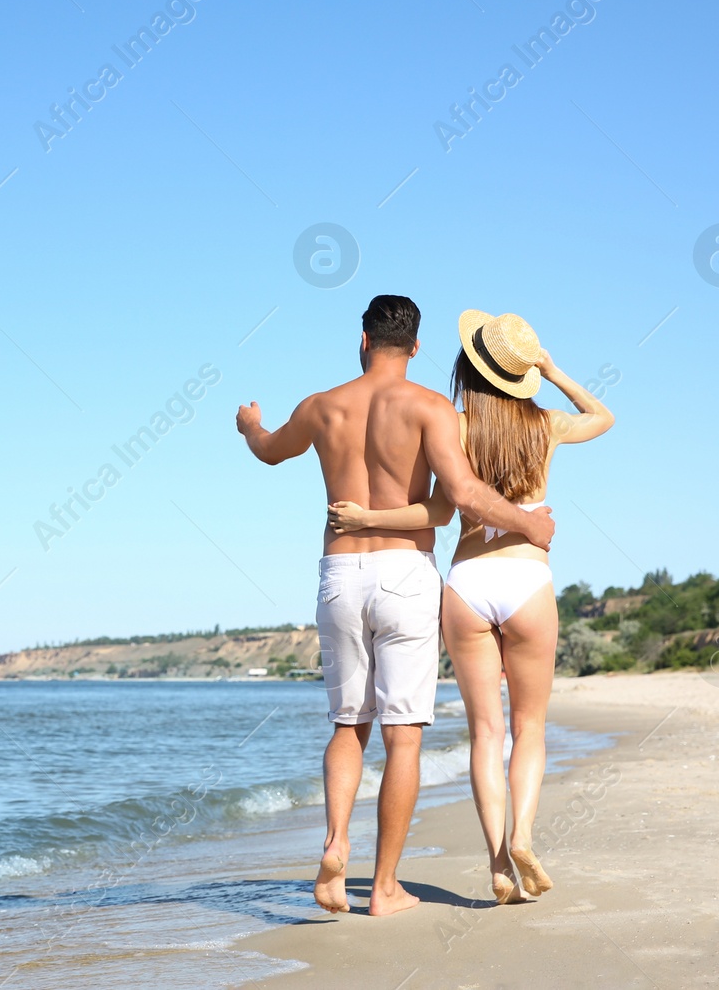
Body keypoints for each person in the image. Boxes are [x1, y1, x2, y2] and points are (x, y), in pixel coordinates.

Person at [236, 296, 556, 917]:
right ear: (415, 347)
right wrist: (529, 526)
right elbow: (461, 495)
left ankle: (333, 850)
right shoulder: (431, 407)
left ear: (361, 340)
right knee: (402, 738)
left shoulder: (321, 406)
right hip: (406, 573)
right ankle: (384, 888)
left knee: (347, 726)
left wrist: (250, 423)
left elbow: (271, 449)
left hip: (339, 572)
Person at [327, 310, 614, 904]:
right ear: (521, 376)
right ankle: (525, 835)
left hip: (465, 583)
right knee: (528, 727)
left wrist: (368, 518)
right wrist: (553, 368)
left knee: (487, 731)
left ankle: (498, 865)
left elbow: (440, 508)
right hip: (527, 581)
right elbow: (603, 417)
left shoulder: (449, 426)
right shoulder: (547, 426)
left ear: (467, 366)